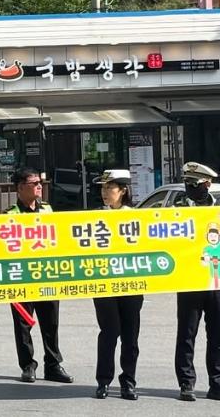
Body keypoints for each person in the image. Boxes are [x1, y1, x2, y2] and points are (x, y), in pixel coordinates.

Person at [171, 162, 220, 403]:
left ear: (207, 184)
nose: (190, 188)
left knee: (217, 335)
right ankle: (186, 382)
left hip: (217, 279)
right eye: (187, 184)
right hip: (190, 280)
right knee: (187, 334)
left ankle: (218, 383)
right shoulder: (177, 208)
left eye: (195, 184)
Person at [5, 168, 73, 385]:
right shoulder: (11, 214)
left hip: (47, 275)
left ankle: (53, 365)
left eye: (40, 183)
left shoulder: (47, 210)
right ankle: (27, 365)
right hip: (21, 277)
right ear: (20, 187)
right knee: (23, 324)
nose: (39, 187)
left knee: (51, 322)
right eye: (34, 183)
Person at [93, 169, 142, 401]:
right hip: (104, 283)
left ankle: (128, 382)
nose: (105, 192)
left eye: (109, 188)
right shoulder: (95, 218)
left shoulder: (136, 217)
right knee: (108, 333)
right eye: (103, 188)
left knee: (130, 335)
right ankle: (103, 381)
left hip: (131, 283)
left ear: (123, 191)